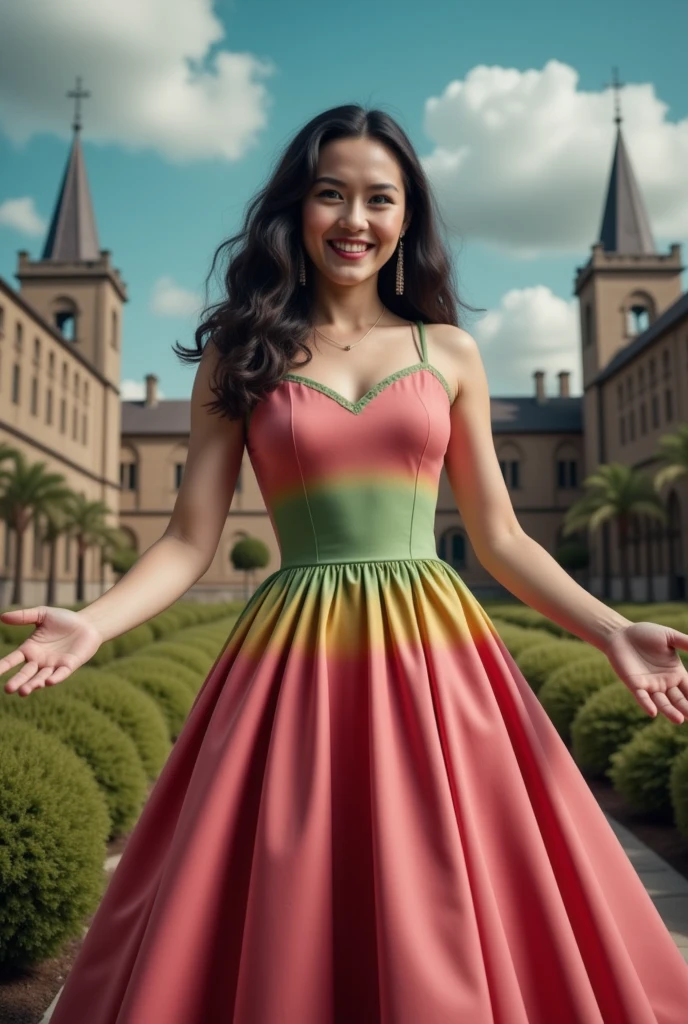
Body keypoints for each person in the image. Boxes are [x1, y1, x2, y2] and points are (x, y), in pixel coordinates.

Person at [2, 103, 688, 1023]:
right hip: (293, 659)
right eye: (332, 195)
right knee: (289, 894)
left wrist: (611, 632)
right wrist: (94, 620)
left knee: (451, 880)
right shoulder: (235, 355)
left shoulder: (449, 351)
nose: (354, 219)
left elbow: (502, 536)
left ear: (407, 219)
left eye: (379, 198)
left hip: (437, 654)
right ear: (297, 208)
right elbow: (186, 539)